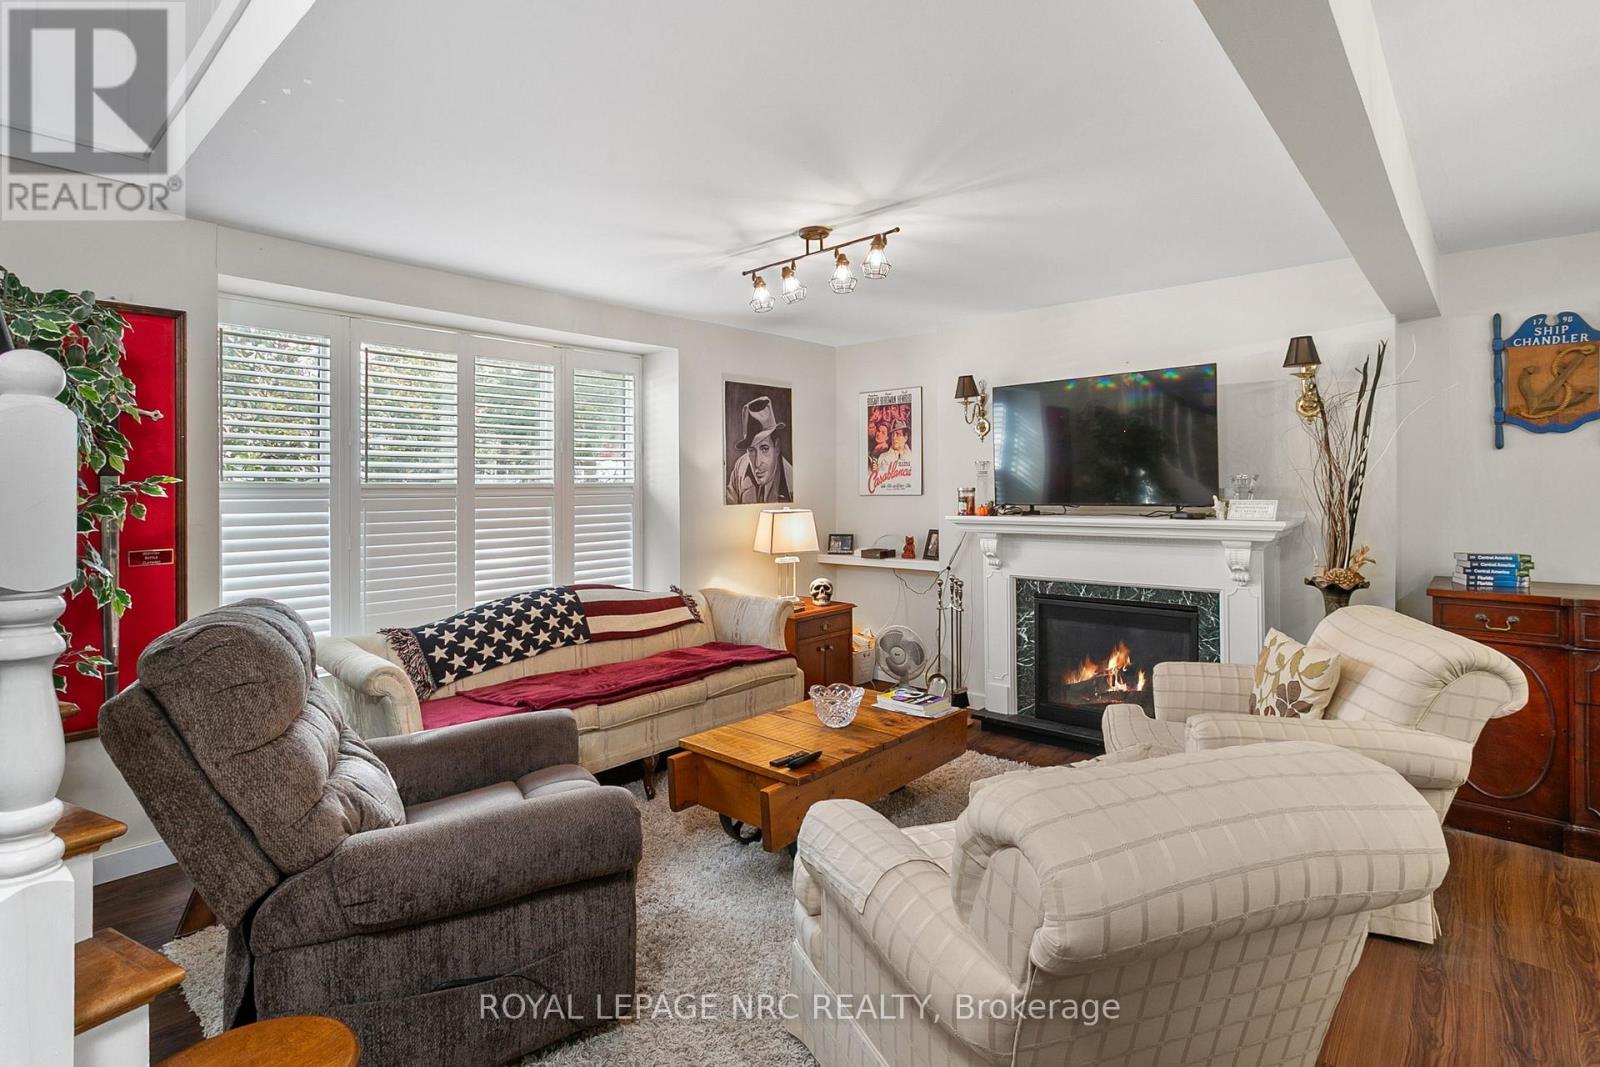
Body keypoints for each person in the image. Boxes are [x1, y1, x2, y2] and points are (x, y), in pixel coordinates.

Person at [726, 395, 794, 504]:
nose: (757, 463)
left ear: (777, 447)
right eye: (751, 450)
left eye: (764, 449)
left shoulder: (791, 485)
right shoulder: (740, 467)